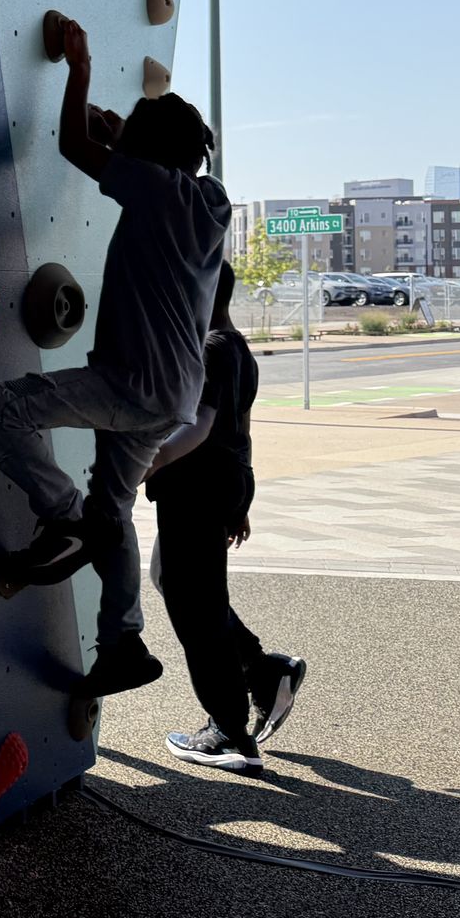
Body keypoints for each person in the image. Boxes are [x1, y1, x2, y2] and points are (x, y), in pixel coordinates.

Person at [0, 17, 231, 699]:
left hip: (133, 383)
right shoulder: (205, 202)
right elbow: (149, 169)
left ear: (150, 155)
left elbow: (71, 143)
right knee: (113, 509)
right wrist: (133, 144)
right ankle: (122, 642)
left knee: (1, 410)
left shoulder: (155, 191)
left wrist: (79, 68)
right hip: (173, 393)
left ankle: (60, 518)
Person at [143, 262, 308, 776]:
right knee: (172, 579)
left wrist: (139, 465)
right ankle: (264, 672)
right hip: (224, 481)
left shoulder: (210, 347)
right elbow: (243, 427)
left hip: (196, 485)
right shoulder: (237, 346)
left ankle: (230, 732)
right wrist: (242, 499)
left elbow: (199, 428)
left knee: (198, 609)